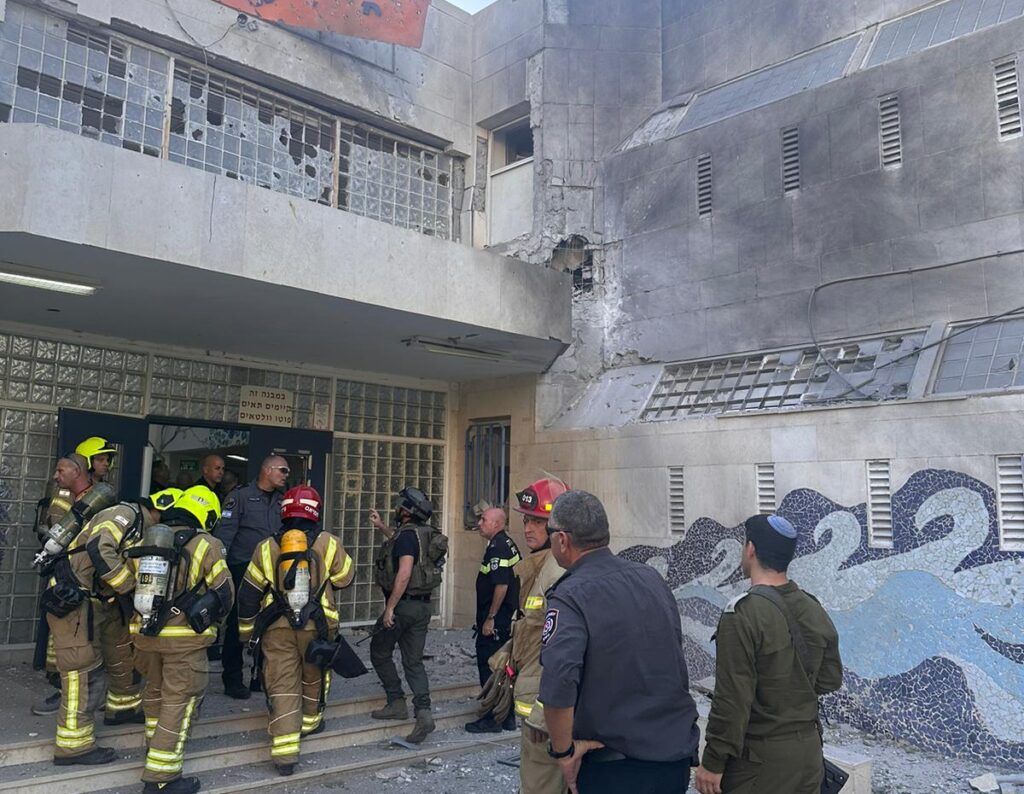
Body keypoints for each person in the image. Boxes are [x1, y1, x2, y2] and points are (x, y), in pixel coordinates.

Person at [540, 490, 700, 794]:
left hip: (614, 767)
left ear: (562, 539)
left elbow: (559, 681)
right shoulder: (650, 578)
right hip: (672, 759)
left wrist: (564, 752)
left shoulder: (570, 595)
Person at [694, 514, 844, 794]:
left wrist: (713, 761)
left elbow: (732, 699)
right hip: (809, 755)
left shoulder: (743, 613)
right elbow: (829, 680)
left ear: (750, 549)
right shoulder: (812, 606)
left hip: (760, 762)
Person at [43, 487, 182, 765]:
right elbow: (99, 547)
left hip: (101, 599)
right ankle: (73, 745)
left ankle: (123, 707)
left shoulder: (144, 527)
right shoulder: (125, 514)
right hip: (74, 598)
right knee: (82, 668)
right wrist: (128, 588)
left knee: (122, 650)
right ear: (160, 509)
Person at [236, 485, 355, 776]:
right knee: (314, 674)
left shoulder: (266, 547)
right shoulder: (329, 542)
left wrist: (247, 634)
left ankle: (285, 755)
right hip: (318, 625)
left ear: (284, 511)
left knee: (281, 683)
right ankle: (310, 722)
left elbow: (249, 593)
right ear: (315, 512)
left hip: (276, 627)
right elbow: (345, 578)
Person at [130, 485, 233, 794]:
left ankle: (154, 752)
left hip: (145, 637)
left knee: (154, 695)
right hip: (184, 642)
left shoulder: (148, 541)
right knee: (179, 702)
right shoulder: (207, 544)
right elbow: (225, 593)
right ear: (207, 515)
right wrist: (213, 623)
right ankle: (162, 778)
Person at [368, 486, 445, 744]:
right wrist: (382, 526)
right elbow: (403, 543)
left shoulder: (406, 537)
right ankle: (424, 713)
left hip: (403, 606)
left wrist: (390, 607)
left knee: (379, 650)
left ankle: (396, 702)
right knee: (413, 662)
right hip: (423, 607)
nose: (396, 508)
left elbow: (404, 573)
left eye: (399, 505)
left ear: (406, 511)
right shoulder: (422, 534)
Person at [213, 455, 287, 698]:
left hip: (272, 570)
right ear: (267, 470)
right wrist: (221, 569)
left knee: (269, 623)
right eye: (282, 470)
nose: (285, 475)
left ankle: (260, 675)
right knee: (238, 624)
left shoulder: (282, 500)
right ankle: (233, 679)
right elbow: (225, 534)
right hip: (242, 568)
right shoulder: (240, 496)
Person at [31, 453, 95, 717]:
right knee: (64, 641)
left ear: (77, 471)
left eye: (60, 471)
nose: (55, 476)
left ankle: (76, 700)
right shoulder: (65, 497)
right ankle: (63, 688)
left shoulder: (98, 500)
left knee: (80, 645)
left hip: (86, 580)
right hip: (65, 574)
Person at [465, 507, 521, 733]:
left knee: (490, 668)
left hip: (496, 621)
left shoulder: (497, 547)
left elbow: (501, 585)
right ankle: (507, 715)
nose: (479, 523)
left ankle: (491, 718)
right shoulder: (506, 543)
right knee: (504, 668)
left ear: (497, 524)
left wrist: (491, 618)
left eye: (484, 520)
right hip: (506, 619)